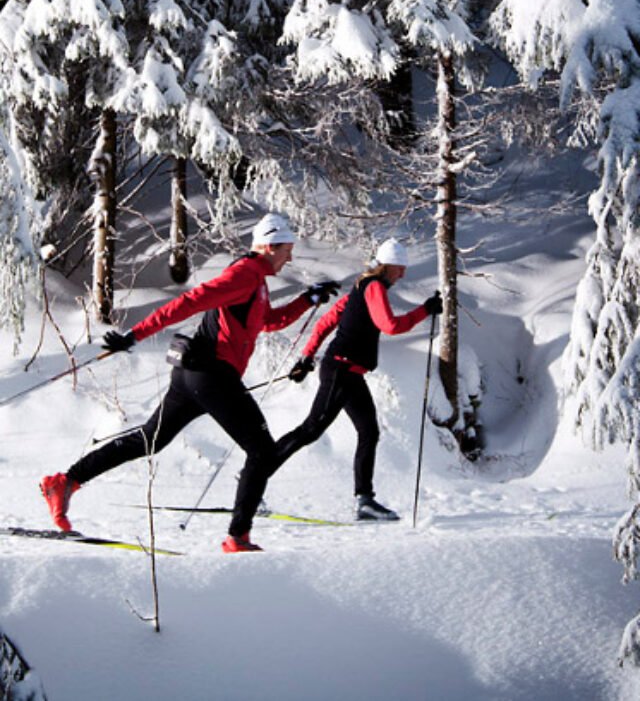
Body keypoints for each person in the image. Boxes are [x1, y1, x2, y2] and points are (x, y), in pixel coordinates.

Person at [40, 213, 339, 553]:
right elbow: (190, 302)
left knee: (150, 439)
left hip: (195, 375)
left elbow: (267, 322)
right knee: (261, 450)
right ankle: (238, 537)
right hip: (211, 374)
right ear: (271, 246)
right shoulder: (244, 275)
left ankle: (65, 482)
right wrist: (135, 334)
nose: (290, 257)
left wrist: (307, 300)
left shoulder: (256, 281)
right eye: (287, 249)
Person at [273, 238, 442, 521]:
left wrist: (307, 358)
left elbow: (327, 322)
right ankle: (256, 473)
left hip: (348, 373)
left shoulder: (360, 288)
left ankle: (364, 501)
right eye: (400, 268)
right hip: (341, 370)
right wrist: (425, 310)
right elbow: (390, 326)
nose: (402, 274)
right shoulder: (373, 287)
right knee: (311, 429)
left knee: (369, 432)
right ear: (387, 266)